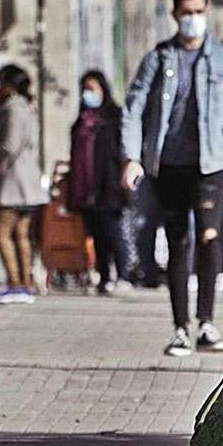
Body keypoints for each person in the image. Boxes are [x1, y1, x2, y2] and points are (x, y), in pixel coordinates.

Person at [122, 0, 223, 356]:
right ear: (175, 14)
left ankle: (207, 323)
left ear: (207, 11)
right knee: (178, 240)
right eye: (186, 13)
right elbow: (133, 109)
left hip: (211, 162)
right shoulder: (159, 58)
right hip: (169, 164)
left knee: (210, 237)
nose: (193, 19)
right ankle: (181, 327)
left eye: (199, 11)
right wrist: (132, 157)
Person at [0, 64, 46, 304]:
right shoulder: (27, 108)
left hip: (13, 182)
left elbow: (9, 146)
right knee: (21, 234)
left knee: (2, 232)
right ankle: (25, 283)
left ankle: (15, 283)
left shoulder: (13, 109)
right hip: (27, 183)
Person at [67, 70, 128, 294]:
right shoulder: (80, 122)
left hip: (109, 184)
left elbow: (121, 150)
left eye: (92, 89)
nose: (88, 94)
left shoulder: (114, 117)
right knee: (97, 236)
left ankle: (123, 275)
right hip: (86, 189)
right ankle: (104, 277)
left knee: (113, 232)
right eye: (85, 89)